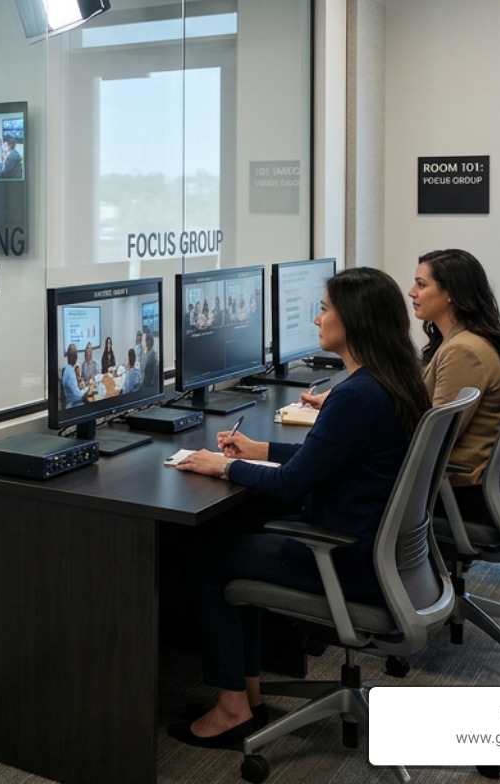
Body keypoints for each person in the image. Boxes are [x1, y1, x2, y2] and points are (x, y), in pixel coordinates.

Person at [170, 267, 430, 748]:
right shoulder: (392, 380)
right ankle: (246, 697)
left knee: (208, 558)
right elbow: (330, 456)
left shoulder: (355, 396)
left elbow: (294, 485)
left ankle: (233, 707)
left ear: (352, 320)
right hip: (385, 555)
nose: (316, 319)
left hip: (346, 558)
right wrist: (259, 450)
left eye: (326, 308)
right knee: (230, 540)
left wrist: (219, 467)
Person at [409, 249, 500, 522]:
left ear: (450, 294)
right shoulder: (460, 340)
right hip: (461, 486)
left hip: (458, 494)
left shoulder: (463, 351)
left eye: (422, 285)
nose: (411, 292)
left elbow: (435, 438)